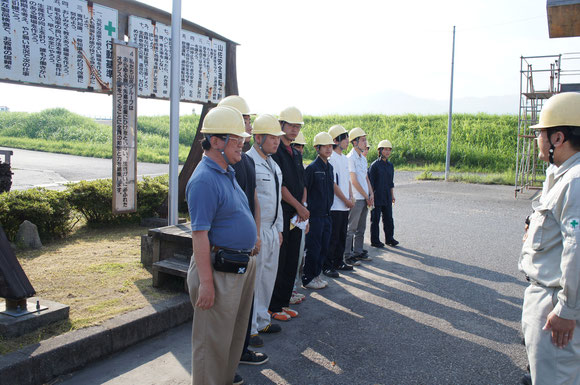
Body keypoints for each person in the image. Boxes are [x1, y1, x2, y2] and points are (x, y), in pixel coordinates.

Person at [185, 106, 257, 385]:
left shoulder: (227, 171)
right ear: (216, 141)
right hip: (219, 270)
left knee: (232, 339)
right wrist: (206, 283)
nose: (243, 143)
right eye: (236, 139)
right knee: (211, 344)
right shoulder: (204, 179)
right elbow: (199, 235)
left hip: (238, 267)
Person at [518, 92, 580, 385]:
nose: (536, 139)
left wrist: (566, 310)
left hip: (555, 303)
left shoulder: (576, 181)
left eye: (540, 133)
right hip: (548, 296)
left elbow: (577, 247)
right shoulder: (560, 173)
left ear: (558, 138)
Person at [217, 96, 268, 365]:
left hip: (248, 245)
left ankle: (242, 350)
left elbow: (255, 199)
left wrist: (256, 234)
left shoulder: (245, 161)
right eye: (244, 119)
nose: (248, 125)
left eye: (248, 120)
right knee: (229, 310)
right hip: (229, 250)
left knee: (244, 305)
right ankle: (229, 359)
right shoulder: (225, 163)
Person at [246, 114, 285, 347]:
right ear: (257, 137)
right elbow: (250, 203)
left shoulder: (274, 165)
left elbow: (277, 200)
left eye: (277, 138)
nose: (276, 142)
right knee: (254, 280)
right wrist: (255, 234)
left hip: (272, 229)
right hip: (257, 231)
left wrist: (279, 229)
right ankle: (249, 329)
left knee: (268, 277)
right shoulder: (248, 162)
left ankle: (262, 320)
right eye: (272, 138)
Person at [270, 106, 308, 321]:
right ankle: (273, 306)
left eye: (298, 126)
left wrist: (302, 205)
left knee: (292, 259)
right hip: (284, 213)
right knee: (281, 260)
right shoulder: (277, 153)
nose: (295, 130)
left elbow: (301, 181)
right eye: (292, 125)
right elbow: (281, 186)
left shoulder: (294, 152)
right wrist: (299, 206)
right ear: (281, 125)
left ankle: (283, 303)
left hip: (296, 215)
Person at [302, 132, 335, 289]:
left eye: (330, 146)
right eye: (325, 146)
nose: (329, 149)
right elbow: (305, 190)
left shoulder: (330, 167)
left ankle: (316, 275)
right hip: (315, 216)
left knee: (323, 247)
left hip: (327, 215)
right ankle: (308, 278)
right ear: (317, 148)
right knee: (313, 248)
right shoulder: (312, 168)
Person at [324, 124, 356, 278]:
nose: (347, 141)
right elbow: (333, 183)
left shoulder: (344, 159)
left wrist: (351, 197)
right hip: (336, 205)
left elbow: (347, 180)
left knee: (342, 234)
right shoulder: (332, 159)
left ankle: (339, 261)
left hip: (345, 204)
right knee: (333, 237)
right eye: (344, 138)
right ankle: (328, 265)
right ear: (335, 140)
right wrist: (345, 199)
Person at [344, 127, 374, 266]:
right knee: (351, 228)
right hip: (357, 198)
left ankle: (358, 252)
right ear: (354, 142)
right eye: (362, 140)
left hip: (365, 198)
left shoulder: (362, 158)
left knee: (361, 228)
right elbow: (354, 180)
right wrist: (365, 195)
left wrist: (371, 193)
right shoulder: (350, 158)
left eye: (365, 140)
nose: (365, 142)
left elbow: (366, 178)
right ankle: (347, 255)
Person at [368, 140, 399, 248]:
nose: (387, 152)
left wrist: (392, 195)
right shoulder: (374, 165)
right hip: (376, 196)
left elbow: (391, 182)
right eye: (385, 149)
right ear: (380, 150)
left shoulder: (390, 165)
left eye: (389, 149)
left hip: (387, 196)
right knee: (375, 219)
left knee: (389, 218)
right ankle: (375, 241)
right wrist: (370, 196)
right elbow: (370, 183)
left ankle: (389, 239)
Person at [290, 130, 308, 304]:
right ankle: (289, 291)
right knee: (289, 257)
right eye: (297, 146)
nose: (300, 149)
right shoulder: (285, 162)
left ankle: (293, 288)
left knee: (298, 255)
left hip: (300, 217)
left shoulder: (300, 165)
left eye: (302, 146)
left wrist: (303, 209)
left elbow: (304, 188)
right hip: (289, 217)